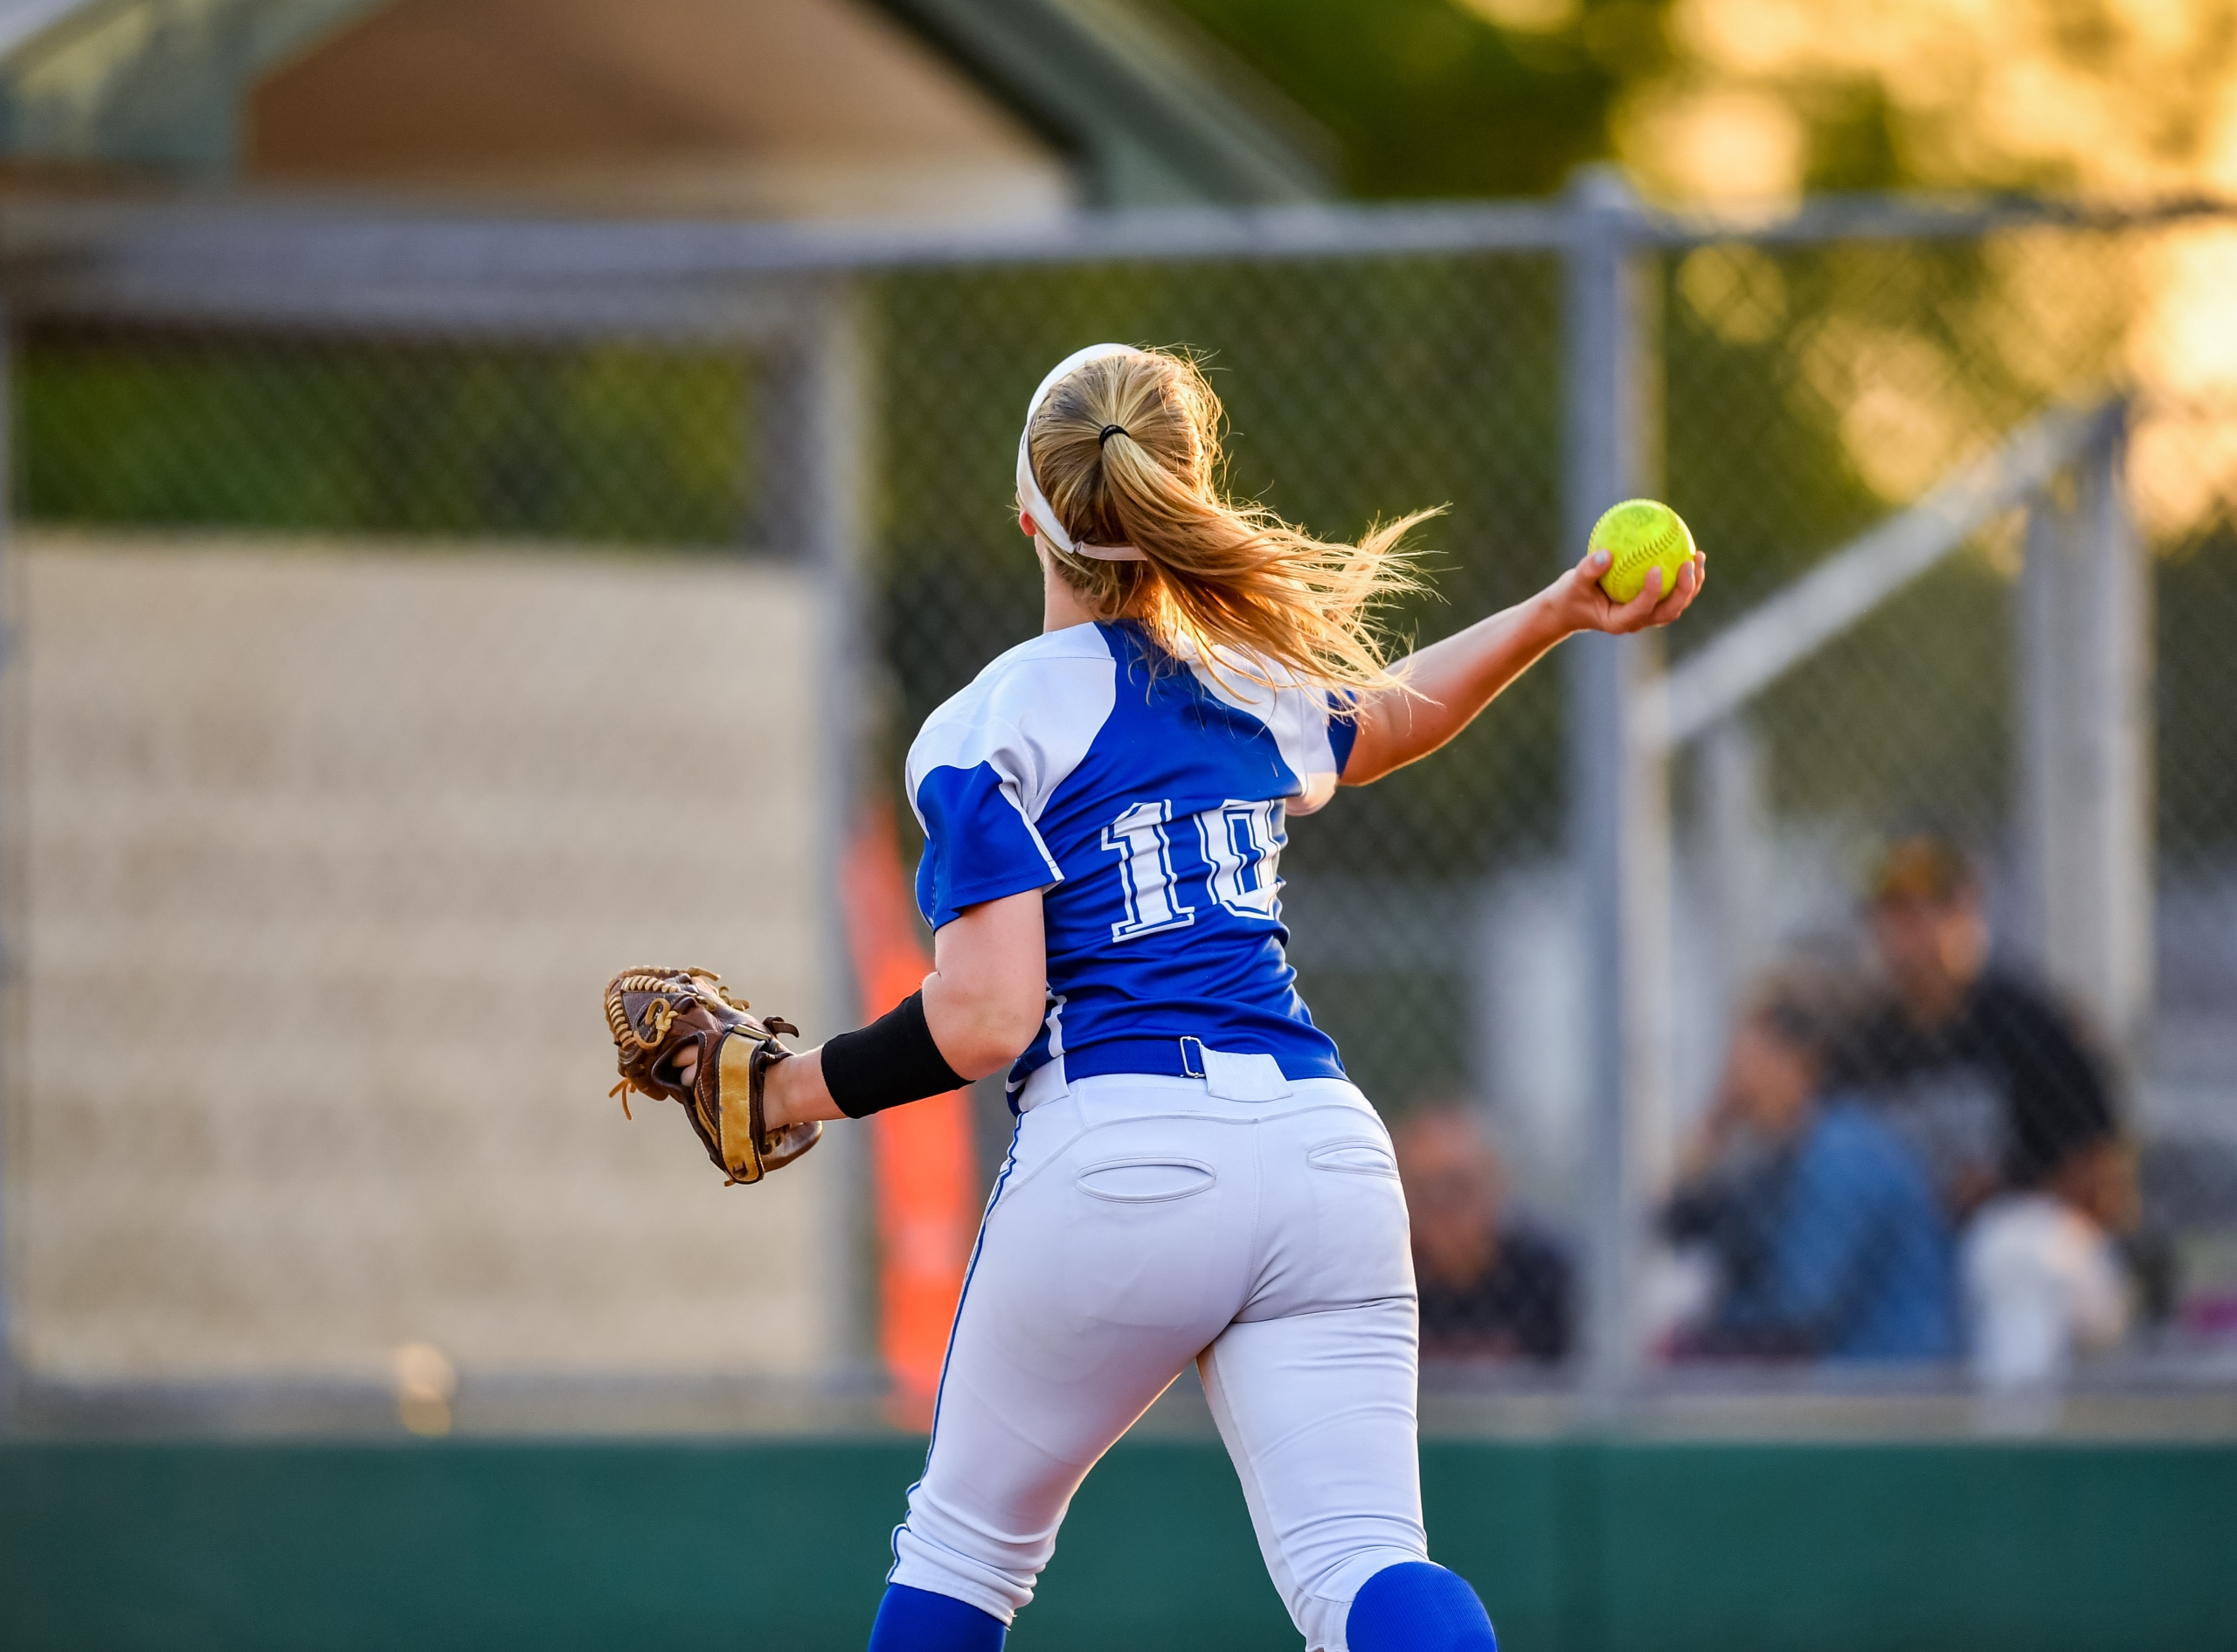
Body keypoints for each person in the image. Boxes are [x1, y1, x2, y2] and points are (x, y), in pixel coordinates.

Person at [676, 343, 1701, 1651]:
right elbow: (1389, 717)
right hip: (1326, 1152)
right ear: (1183, 491)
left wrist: (782, 1085)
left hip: (1123, 1148)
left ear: (1029, 513)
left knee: (964, 1549)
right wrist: (1554, 610)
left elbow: (990, 1015)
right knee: (1363, 1562)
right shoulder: (1242, 679)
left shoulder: (987, 719)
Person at [1665, 972, 1958, 1361]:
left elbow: (1799, 1307)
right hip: (1831, 1368)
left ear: (1802, 1063)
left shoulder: (1846, 1149)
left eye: (1750, 1060)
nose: (1734, 1082)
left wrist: (1693, 1338)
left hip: (1888, 1378)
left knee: (1675, 1360)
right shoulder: (1785, 1153)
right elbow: (1678, 1225)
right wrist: (1707, 1141)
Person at [1834, 834, 2118, 1220]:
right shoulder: (1865, 1039)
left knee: (2004, 1250)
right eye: (1886, 915)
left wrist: (2006, 1193)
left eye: (1915, 914)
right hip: (1913, 1246)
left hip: (2023, 1236)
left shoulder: (2027, 1022)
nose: (1896, 934)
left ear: (1966, 914)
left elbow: (2099, 1173)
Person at [1963, 1126, 2135, 1395]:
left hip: (1992, 1393)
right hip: (2070, 1400)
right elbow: (2104, 1328)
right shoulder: (2075, 1234)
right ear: (2072, 1165)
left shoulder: (1990, 1226)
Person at [1394, 1106, 1571, 1363]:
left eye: (1457, 1187)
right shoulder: (1389, 1280)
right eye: (1423, 1193)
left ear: (1494, 1186)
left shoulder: (1544, 1274)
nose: (1442, 1208)